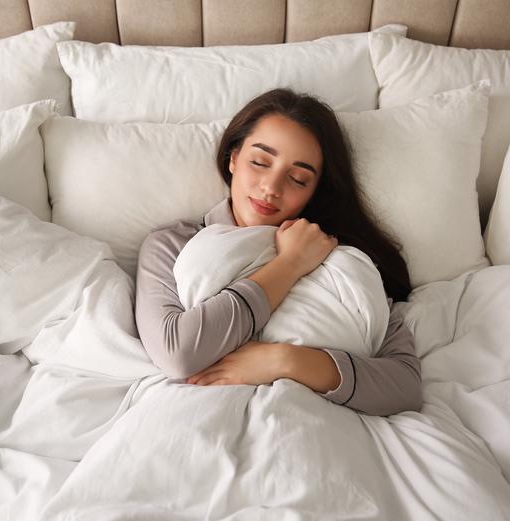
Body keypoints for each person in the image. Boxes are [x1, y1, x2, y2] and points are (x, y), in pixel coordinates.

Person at [135, 88, 422, 416]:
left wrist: (283, 360)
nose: (271, 187)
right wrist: (288, 265)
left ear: (315, 191)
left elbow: (404, 386)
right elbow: (177, 352)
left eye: (298, 179)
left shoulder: (339, 260)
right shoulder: (173, 244)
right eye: (259, 162)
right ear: (233, 158)